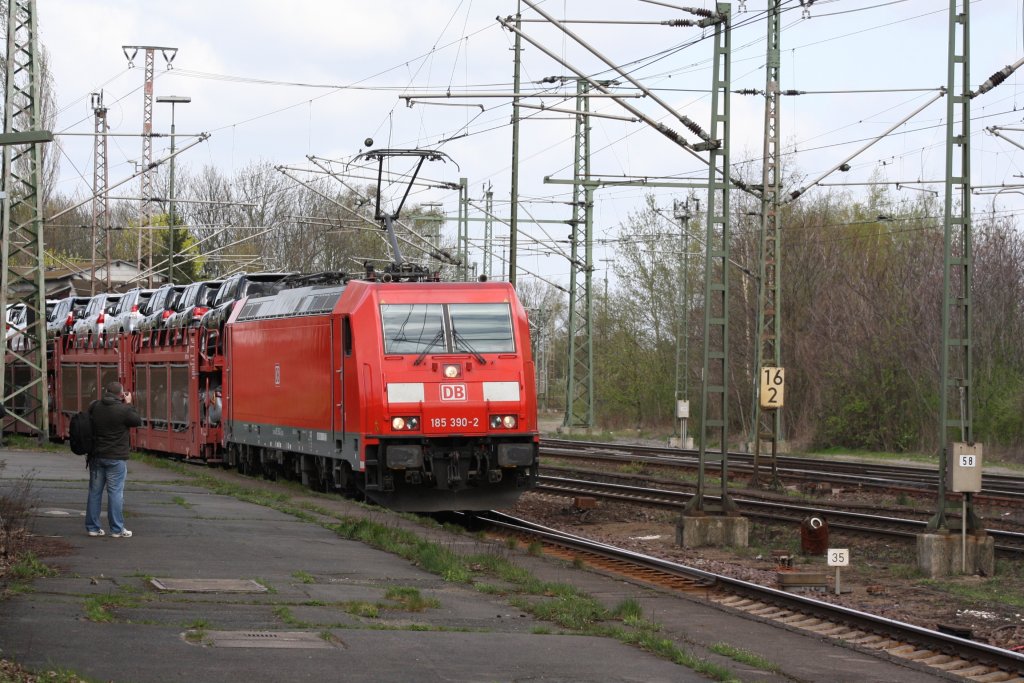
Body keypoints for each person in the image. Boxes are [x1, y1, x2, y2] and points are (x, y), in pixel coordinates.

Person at [85, 381, 142, 538]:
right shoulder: (123, 410)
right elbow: (137, 421)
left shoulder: (95, 406)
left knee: (94, 492)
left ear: (106, 392)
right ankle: (116, 530)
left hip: (96, 457)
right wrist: (129, 403)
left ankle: (92, 528)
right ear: (121, 394)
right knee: (115, 492)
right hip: (116, 458)